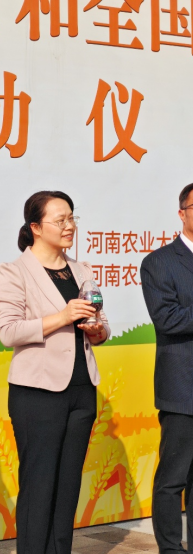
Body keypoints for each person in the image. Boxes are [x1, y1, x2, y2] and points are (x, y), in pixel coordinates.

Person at [0, 190, 110, 554]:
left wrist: (96, 329)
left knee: (67, 487)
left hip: (81, 390)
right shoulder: (14, 271)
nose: (69, 226)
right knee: (39, 486)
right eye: (60, 220)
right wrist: (62, 317)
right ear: (36, 227)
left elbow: (102, 325)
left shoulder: (82, 270)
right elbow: (8, 331)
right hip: (38, 394)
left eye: (71, 218)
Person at [141, 183, 193, 554]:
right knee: (173, 479)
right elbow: (167, 318)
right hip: (183, 389)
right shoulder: (159, 262)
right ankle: (171, 549)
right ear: (181, 213)